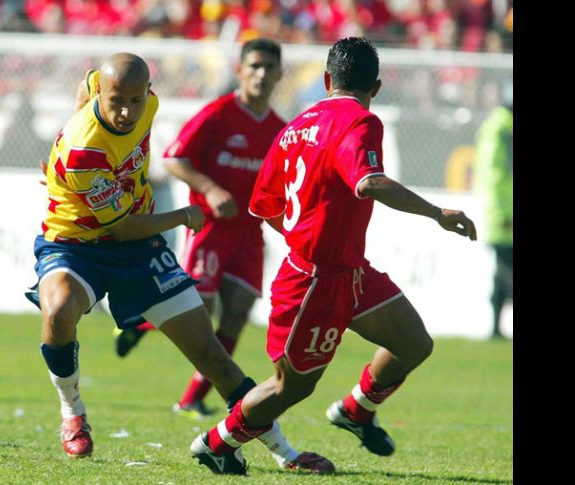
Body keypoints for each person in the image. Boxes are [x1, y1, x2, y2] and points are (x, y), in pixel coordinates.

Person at [24, 53, 333, 474]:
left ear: (147, 92)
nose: (127, 111)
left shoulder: (144, 102)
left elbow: (87, 81)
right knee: (59, 309)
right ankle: (72, 411)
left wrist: (58, 142)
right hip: (77, 241)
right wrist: (185, 216)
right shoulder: (84, 150)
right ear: (104, 94)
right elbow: (122, 227)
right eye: (117, 101)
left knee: (212, 355)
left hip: (138, 249)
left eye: (135, 100)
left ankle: (285, 453)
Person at [190, 37, 477, 474]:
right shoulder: (361, 121)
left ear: (327, 80)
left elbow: (264, 207)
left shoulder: (293, 126)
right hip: (315, 281)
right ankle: (215, 442)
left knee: (413, 343)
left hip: (348, 271)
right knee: (291, 388)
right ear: (375, 87)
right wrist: (437, 212)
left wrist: (306, 233)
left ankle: (356, 409)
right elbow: (369, 182)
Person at [113, 39, 287, 420]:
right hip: (210, 229)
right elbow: (175, 158)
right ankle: (142, 325)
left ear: (279, 74)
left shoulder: (279, 128)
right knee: (199, 311)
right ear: (240, 70)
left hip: (248, 234)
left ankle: (192, 396)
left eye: (268, 67)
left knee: (238, 312)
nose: (260, 74)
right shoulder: (218, 114)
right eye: (254, 66)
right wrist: (209, 188)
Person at [473, 87, 512, 339]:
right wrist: (502, 213)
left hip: (505, 211)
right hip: (505, 215)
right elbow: (492, 176)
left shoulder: (503, 125)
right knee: (506, 271)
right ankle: (496, 327)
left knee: (504, 272)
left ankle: (496, 327)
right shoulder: (500, 127)